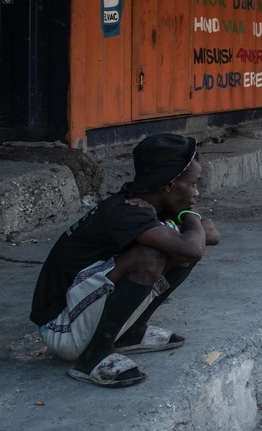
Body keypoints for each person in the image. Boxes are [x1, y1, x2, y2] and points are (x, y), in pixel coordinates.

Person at [30, 133, 221, 388]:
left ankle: (131, 333)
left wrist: (187, 224)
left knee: (177, 251)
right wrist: (189, 215)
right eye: (193, 184)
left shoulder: (148, 206)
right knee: (149, 258)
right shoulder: (124, 212)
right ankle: (92, 357)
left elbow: (211, 235)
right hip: (61, 328)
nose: (197, 192)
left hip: (81, 314)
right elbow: (195, 246)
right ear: (169, 184)